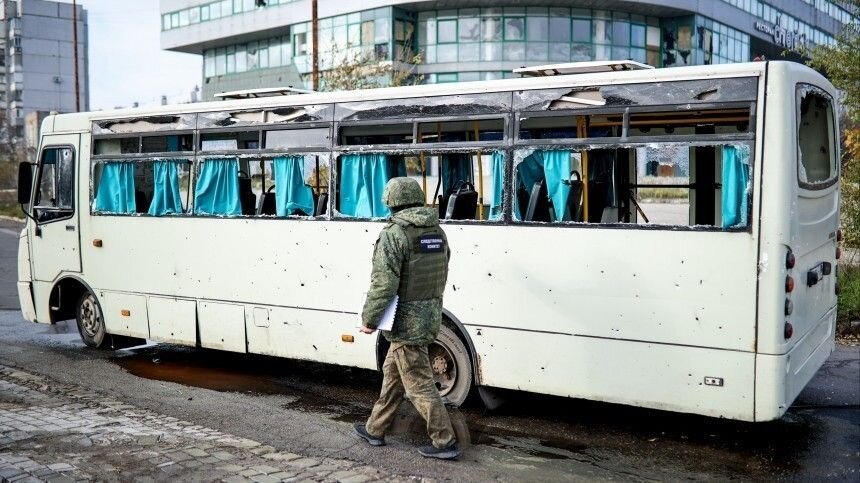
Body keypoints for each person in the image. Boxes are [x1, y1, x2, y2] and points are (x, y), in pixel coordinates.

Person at [354, 177, 460, 460]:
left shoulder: (394, 234)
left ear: (392, 202)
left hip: (404, 321)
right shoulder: (437, 231)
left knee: (419, 384)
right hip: (430, 314)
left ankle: (445, 441)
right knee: (393, 374)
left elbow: (383, 284)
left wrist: (370, 320)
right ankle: (375, 429)